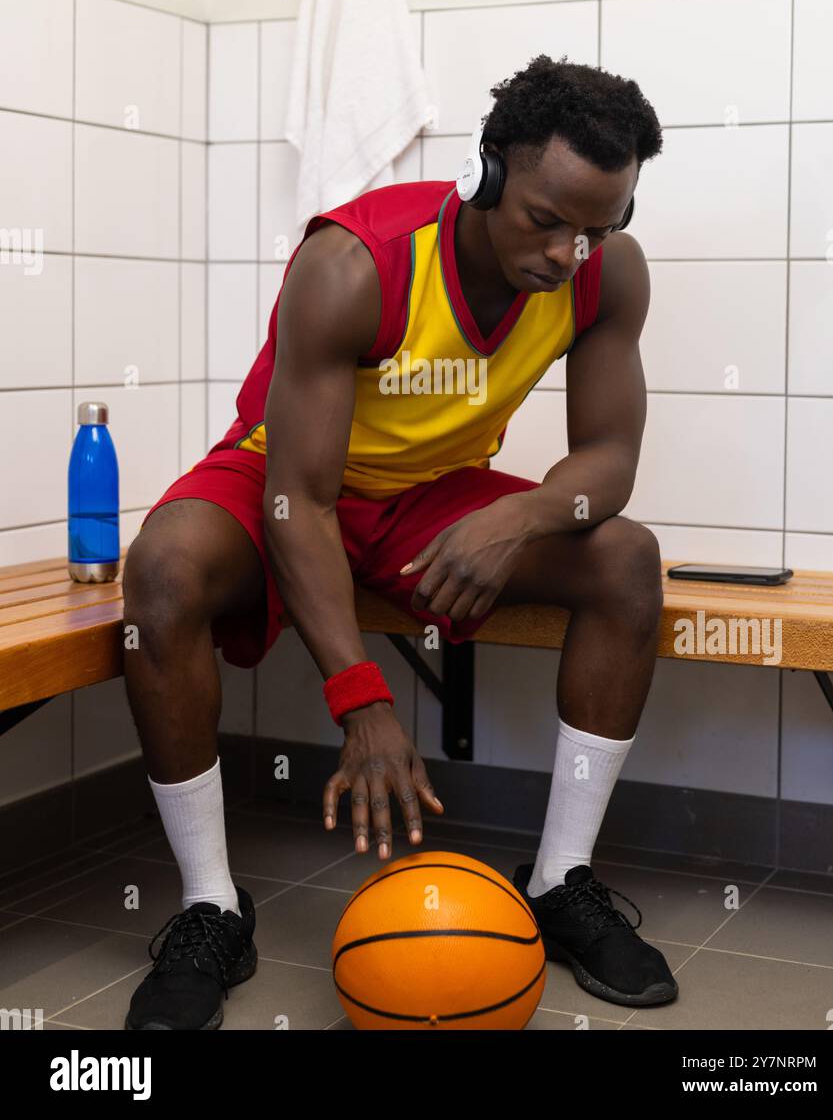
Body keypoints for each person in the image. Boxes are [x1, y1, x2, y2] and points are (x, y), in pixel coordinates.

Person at [121, 54, 676, 1030]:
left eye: (596, 228)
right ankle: (212, 905)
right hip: (286, 480)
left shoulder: (603, 278)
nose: (565, 252)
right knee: (163, 568)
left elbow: (609, 463)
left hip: (429, 497)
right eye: (545, 219)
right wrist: (360, 697)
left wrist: (521, 514)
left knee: (626, 557)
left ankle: (559, 880)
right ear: (488, 170)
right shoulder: (353, 261)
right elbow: (298, 497)